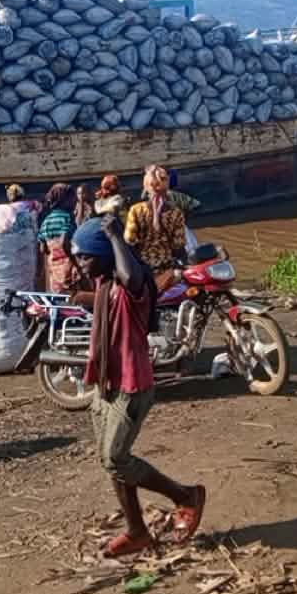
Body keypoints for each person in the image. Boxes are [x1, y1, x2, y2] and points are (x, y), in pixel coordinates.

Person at [71, 217, 206, 557]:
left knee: (116, 458)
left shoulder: (136, 287)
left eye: (86, 256)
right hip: (106, 382)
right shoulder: (105, 282)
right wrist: (76, 297)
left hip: (131, 385)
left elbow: (130, 277)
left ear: (107, 254)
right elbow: (103, 294)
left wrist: (116, 235)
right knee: (110, 460)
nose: (81, 263)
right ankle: (136, 530)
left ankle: (184, 495)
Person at [124, 165, 187, 293]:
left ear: (146, 187)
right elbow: (178, 245)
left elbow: (129, 240)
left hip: (142, 272)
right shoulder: (176, 213)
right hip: (167, 272)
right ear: (166, 187)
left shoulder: (136, 210)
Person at [38, 183, 78, 294]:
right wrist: (76, 264)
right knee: (73, 300)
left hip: (54, 270)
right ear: (64, 200)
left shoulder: (46, 220)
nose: (75, 201)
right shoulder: (67, 217)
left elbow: (43, 249)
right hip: (69, 266)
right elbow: (65, 242)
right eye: (73, 198)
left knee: (58, 299)